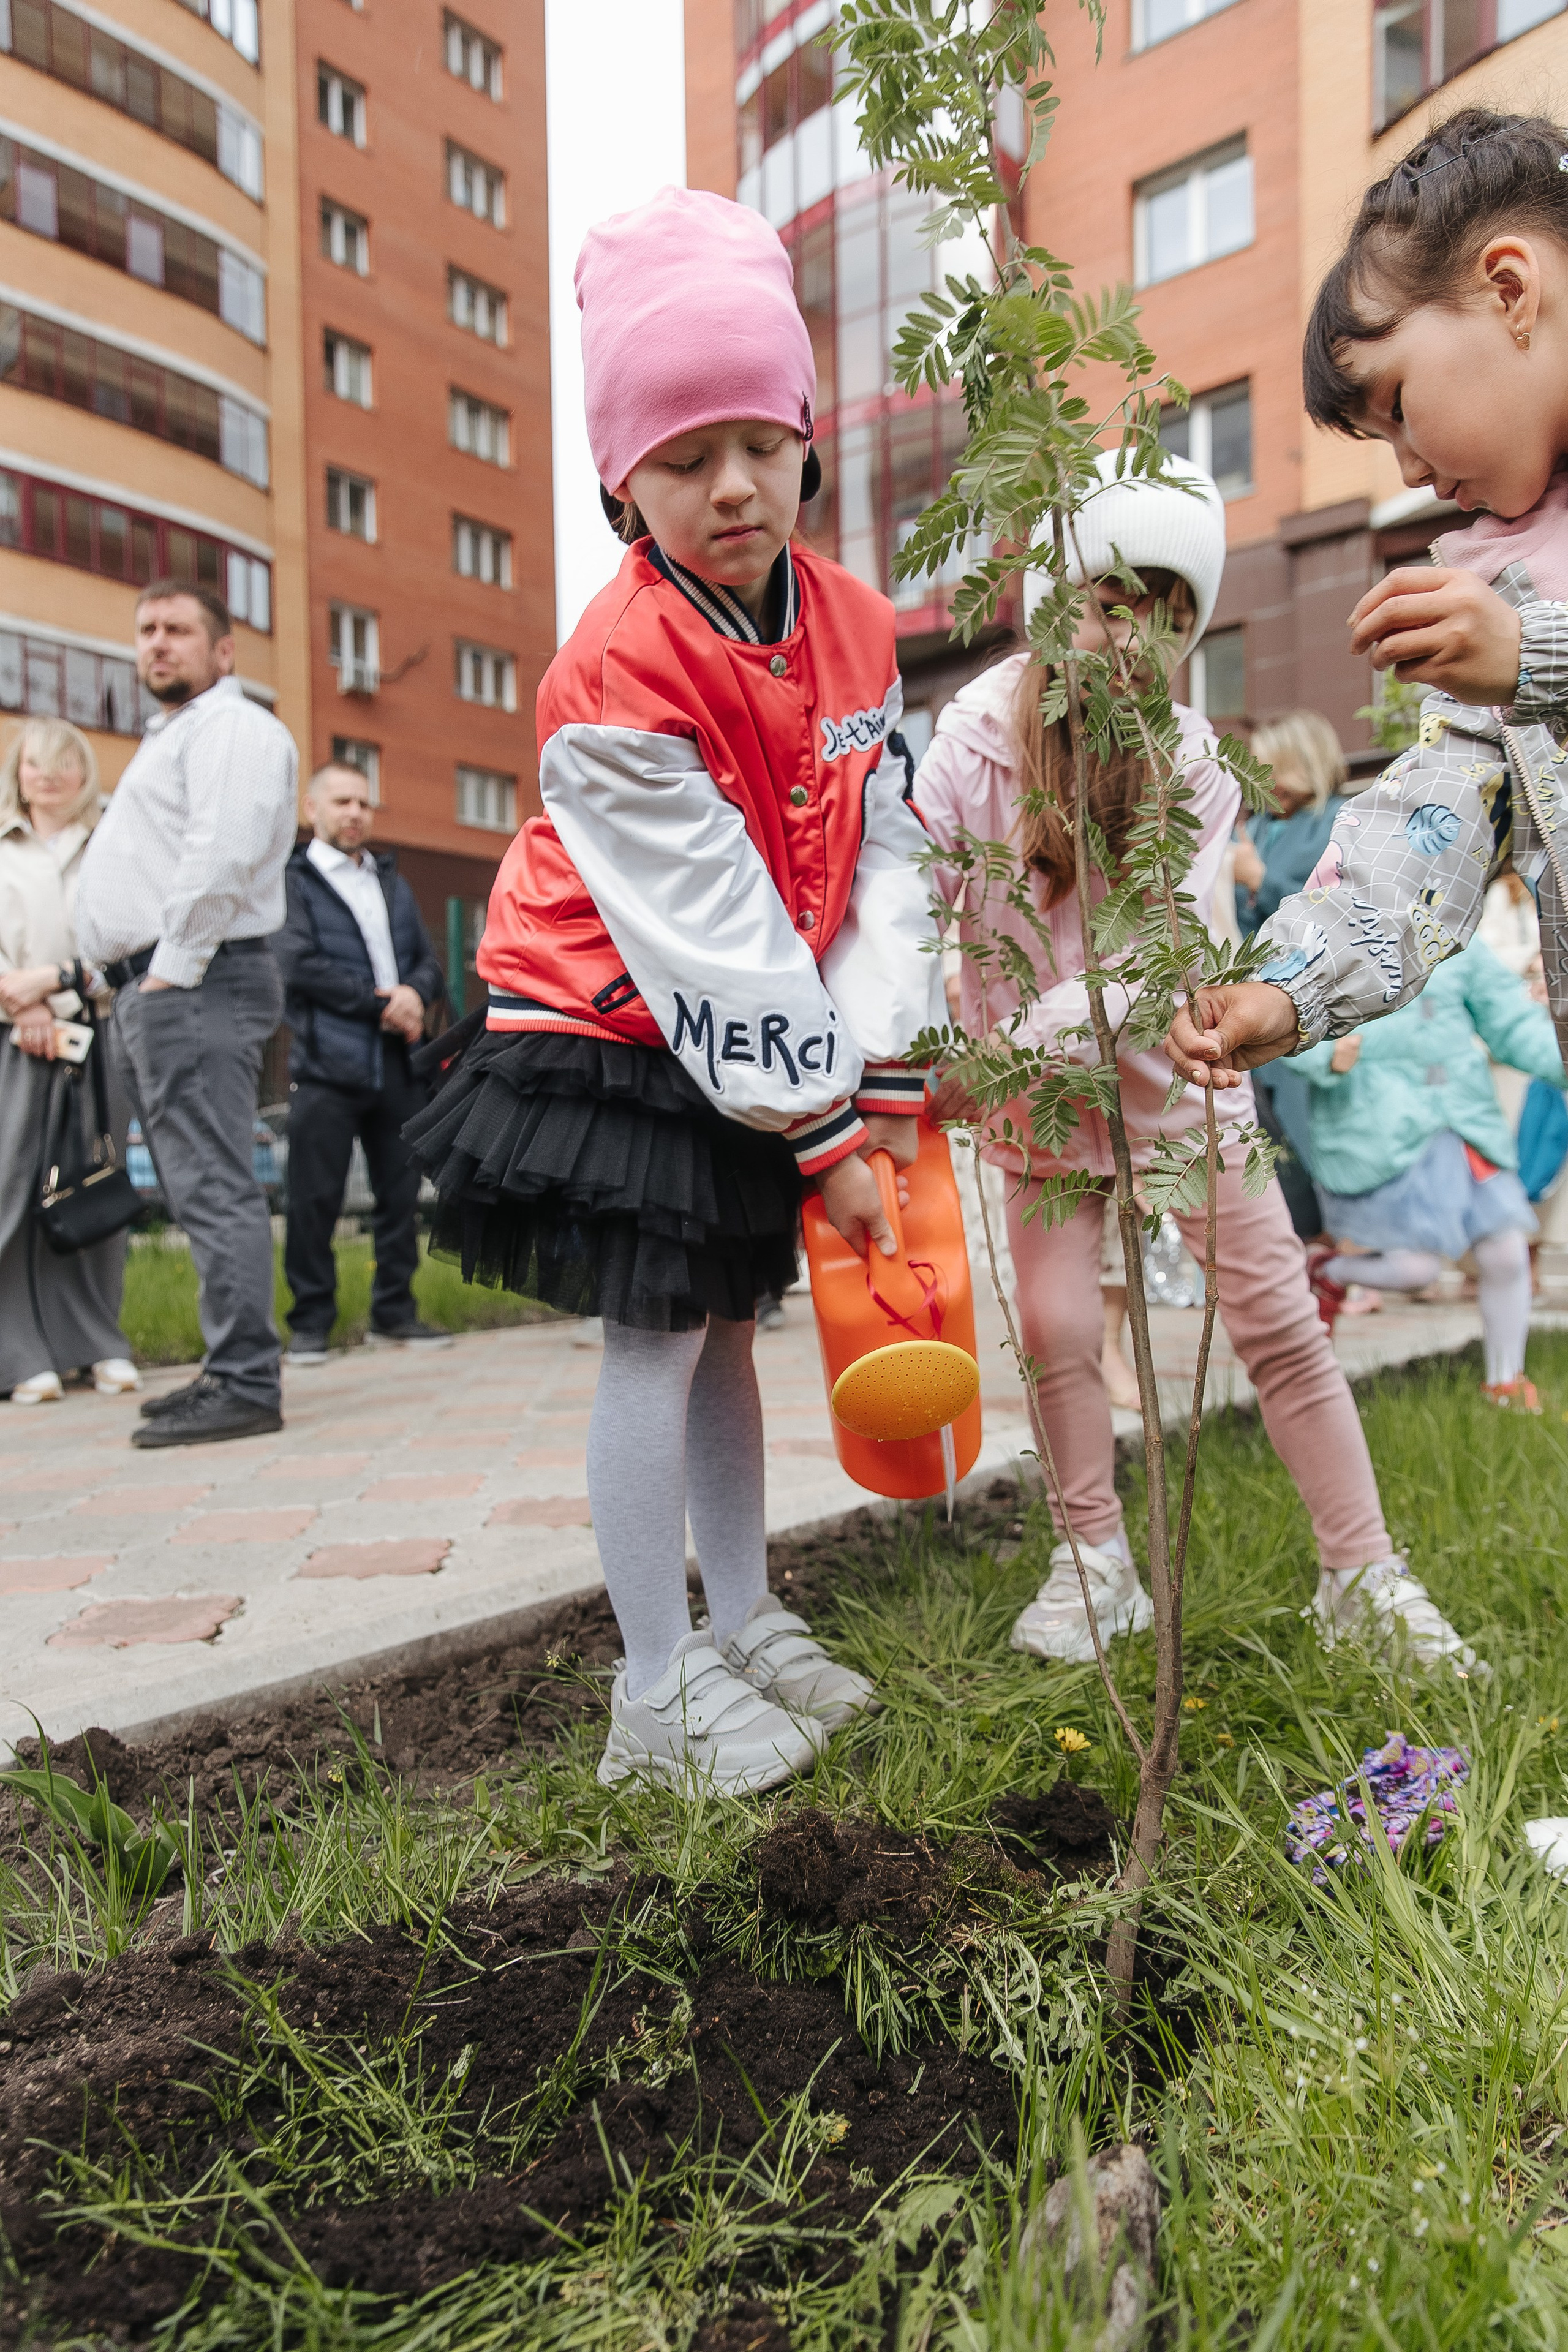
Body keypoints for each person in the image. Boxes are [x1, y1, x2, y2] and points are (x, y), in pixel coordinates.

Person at [407, 186, 945, 1793]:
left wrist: (889, 1068)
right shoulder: (616, 666)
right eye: (682, 455)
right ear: (616, 479)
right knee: (653, 1336)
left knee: (726, 1331)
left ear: (805, 438)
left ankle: (749, 1616)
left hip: (759, 1030)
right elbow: (704, 929)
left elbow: (888, 855)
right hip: (618, 1016)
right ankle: (655, 1692)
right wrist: (828, 1132)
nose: (730, 488)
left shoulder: (855, 625)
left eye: (759, 446)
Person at [919, 450, 1482, 1676]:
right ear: (1054, 590)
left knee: (1275, 1316)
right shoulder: (970, 741)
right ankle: (1090, 1564)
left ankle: (1359, 1571)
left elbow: (1164, 952)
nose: (1136, 631)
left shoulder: (1187, 759)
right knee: (1061, 1326)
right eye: (1111, 594)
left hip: (1170, 1059)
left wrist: (1006, 1042)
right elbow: (915, 900)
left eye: (1169, 609)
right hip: (1038, 1090)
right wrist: (935, 1053)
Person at [1167, 111, 1568, 1157]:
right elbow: (1423, 834)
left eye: (1398, 403)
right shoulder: (1496, 574)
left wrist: (1540, 660)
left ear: (1511, 291)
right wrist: (1286, 986)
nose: (1407, 469)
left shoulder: (1515, 625)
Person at [75, 580, 295, 1450]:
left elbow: (222, 852)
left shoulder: (232, 727)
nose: (156, 644)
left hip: (196, 980)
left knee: (211, 1181)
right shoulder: (174, 736)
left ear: (224, 650)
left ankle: (245, 1380)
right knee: (193, 1185)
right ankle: (227, 1367)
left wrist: (166, 974)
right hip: (162, 984)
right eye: (145, 631)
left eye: (176, 629)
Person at [1297, 937, 1564, 1408]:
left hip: (1462, 1122)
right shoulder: (1332, 932)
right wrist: (1324, 1055)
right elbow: (1284, 1010)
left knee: (1505, 1252)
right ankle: (1329, 1270)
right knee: (1414, 1270)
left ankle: (1506, 1381)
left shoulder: (1460, 944)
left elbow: (1513, 1022)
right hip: (1383, 1122)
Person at [275, 763, 450, 1362]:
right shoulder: (292, 881)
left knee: (400, 1196)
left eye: (363, 803)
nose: (354, 812)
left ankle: (395, 1314)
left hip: (397, 1065)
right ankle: (310, 1325)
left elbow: (427, 962)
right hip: (328, 1062)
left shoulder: (390, 882)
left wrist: (415, 995)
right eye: (341, 801)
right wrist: (384, 1004)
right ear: (313, 808)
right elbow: (297, 965)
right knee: (314, 1199)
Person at [0, 718, 138, 1404]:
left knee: (93, 1185)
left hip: (96, 1036)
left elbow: (129, 944)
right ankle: (17, 1353)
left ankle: (95, 1342)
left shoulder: (111, 848)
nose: (48, 775)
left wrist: (54, 985)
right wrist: (19, 1006)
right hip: (12, 1040)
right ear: (17, 772)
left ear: (84, 773)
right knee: (13, 1194)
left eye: (63, 762)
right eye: (35, 763)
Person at [1233, 710, 1353, 1242]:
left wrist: (1261, 877)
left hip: (1318, 1008)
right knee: (1264, 1142)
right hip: (1250, 1004)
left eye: (1270, 769)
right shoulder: (1257, 828)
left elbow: (1340, 914)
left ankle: (1328, 1253)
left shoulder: (1343, 823)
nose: (1263, 783)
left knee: (1311, 1145)